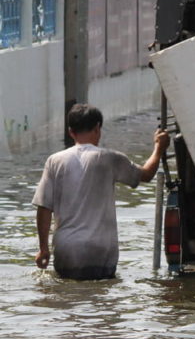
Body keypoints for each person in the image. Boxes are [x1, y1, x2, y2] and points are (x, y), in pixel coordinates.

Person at [33, 104, 170, 280]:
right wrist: (158, 148)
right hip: (100, 250)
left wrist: (43, 248)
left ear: (70, 132)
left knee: (66, 300)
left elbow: (44, 207)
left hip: (67, 250)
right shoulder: (110, 158)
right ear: (97, 128)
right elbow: (146, 174)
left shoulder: (54, 161)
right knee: (101, 301)